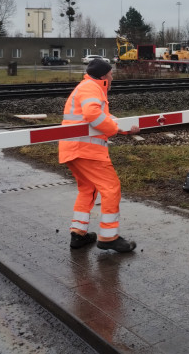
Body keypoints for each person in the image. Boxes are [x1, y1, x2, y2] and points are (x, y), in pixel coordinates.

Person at [59, 57, 139, 252]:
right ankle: (109, 237)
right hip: (87, 151)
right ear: (104, 75)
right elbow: (93, 115)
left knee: (88, 189)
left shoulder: (89, 87)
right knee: (111, 188)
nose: (113, 78)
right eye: (111, 74)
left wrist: (125, 129)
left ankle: (78, 234)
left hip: (75, 149)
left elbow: (103, 117)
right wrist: (113, 129)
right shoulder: (91, 88)